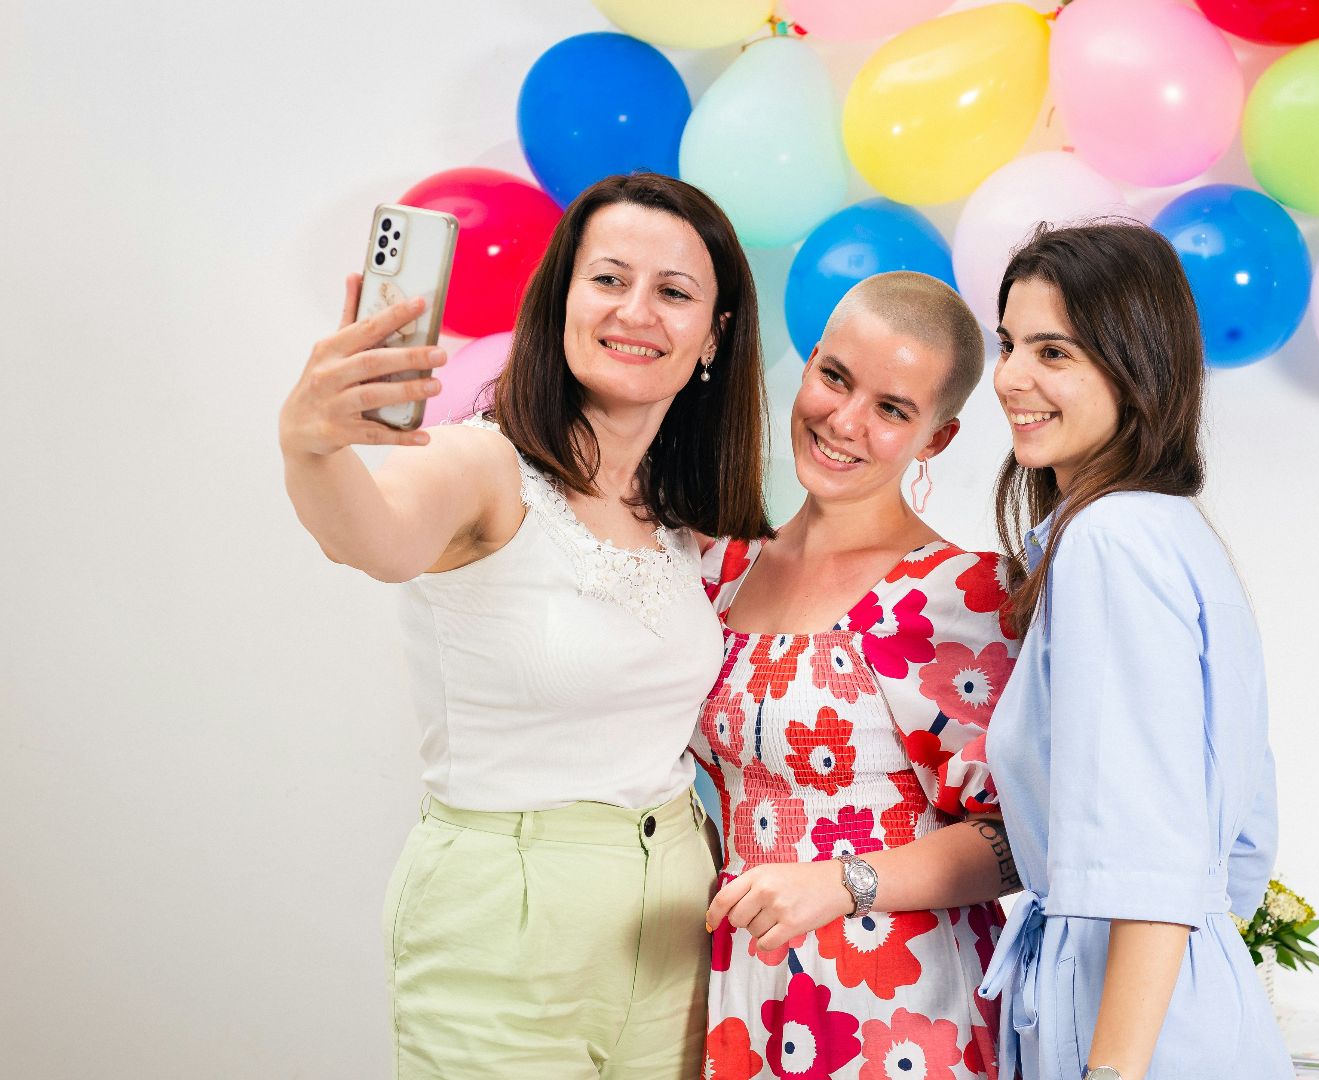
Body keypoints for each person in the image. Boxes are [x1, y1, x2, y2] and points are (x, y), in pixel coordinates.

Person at [278, 172, 772, 1079]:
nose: (637, 311)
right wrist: (310, 443)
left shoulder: (686, 519)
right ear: (561, 301)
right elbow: (373, 538)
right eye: (609, 279)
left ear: (715, 336)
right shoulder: (482, 467)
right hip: (504, 928)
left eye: (675, 292)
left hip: (674, 919)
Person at [978, 222, 1290, 1080]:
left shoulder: (1110, 540)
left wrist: (1110, 1069)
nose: (1010, 378)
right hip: (1187, 992)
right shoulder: (1175, 534)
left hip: (1125, 1015)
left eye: (1054, 352)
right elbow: (1243, 848)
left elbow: (1146, 859)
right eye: (1008, 344)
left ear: (1135, 366)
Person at [695, 271, 1023, 1080]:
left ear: (935, 438)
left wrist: (843, 884)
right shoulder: (719, 571)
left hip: (901, 1007)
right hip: (744, 987)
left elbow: (1020, 840)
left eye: (892, 409)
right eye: (834, 377)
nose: (843, 422)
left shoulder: (961, 594)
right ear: (807, 364)